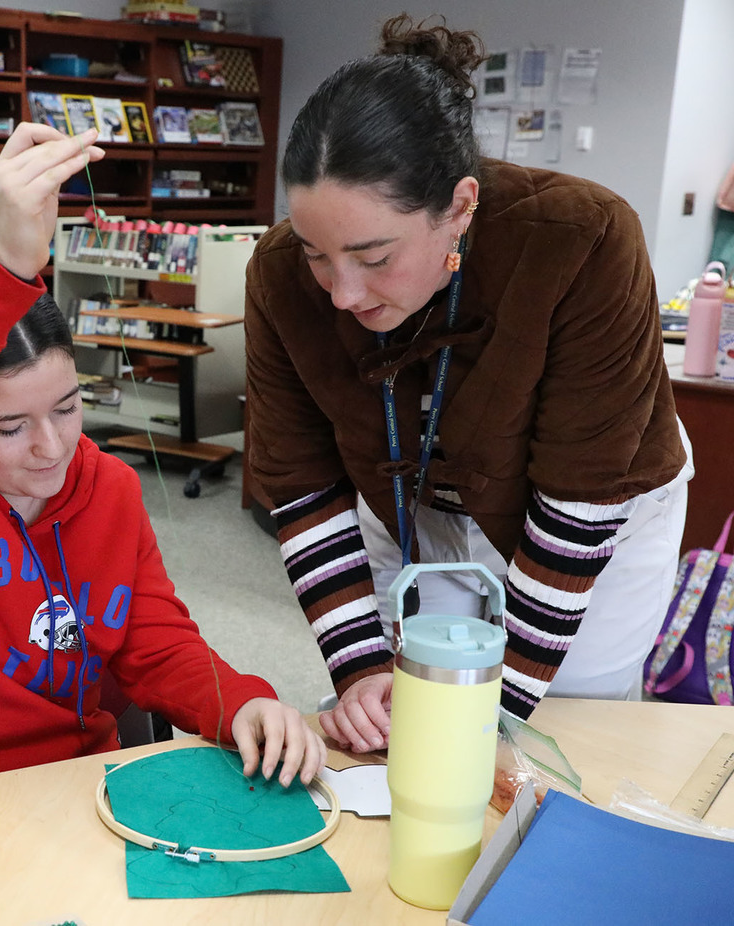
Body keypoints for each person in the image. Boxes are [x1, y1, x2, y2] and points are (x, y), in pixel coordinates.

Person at [0, 123, 326, 801]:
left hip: (78, 795)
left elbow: (154, 637)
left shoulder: (107, 488)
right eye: (8, 426)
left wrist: (242, 703)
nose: (51, 447)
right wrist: (3, 270)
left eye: (66, 406)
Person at [244, 14, 694, 753]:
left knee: (553, 732)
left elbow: (580, 505)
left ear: (458, 207)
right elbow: (299, 484)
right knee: (402, 703)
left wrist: (497, 706)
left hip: (593, 505)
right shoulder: (278, 274)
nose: (342, 294)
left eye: (374, 256)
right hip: (413, 494)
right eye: (317, 253)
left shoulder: (583, 239)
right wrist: (358, 670)